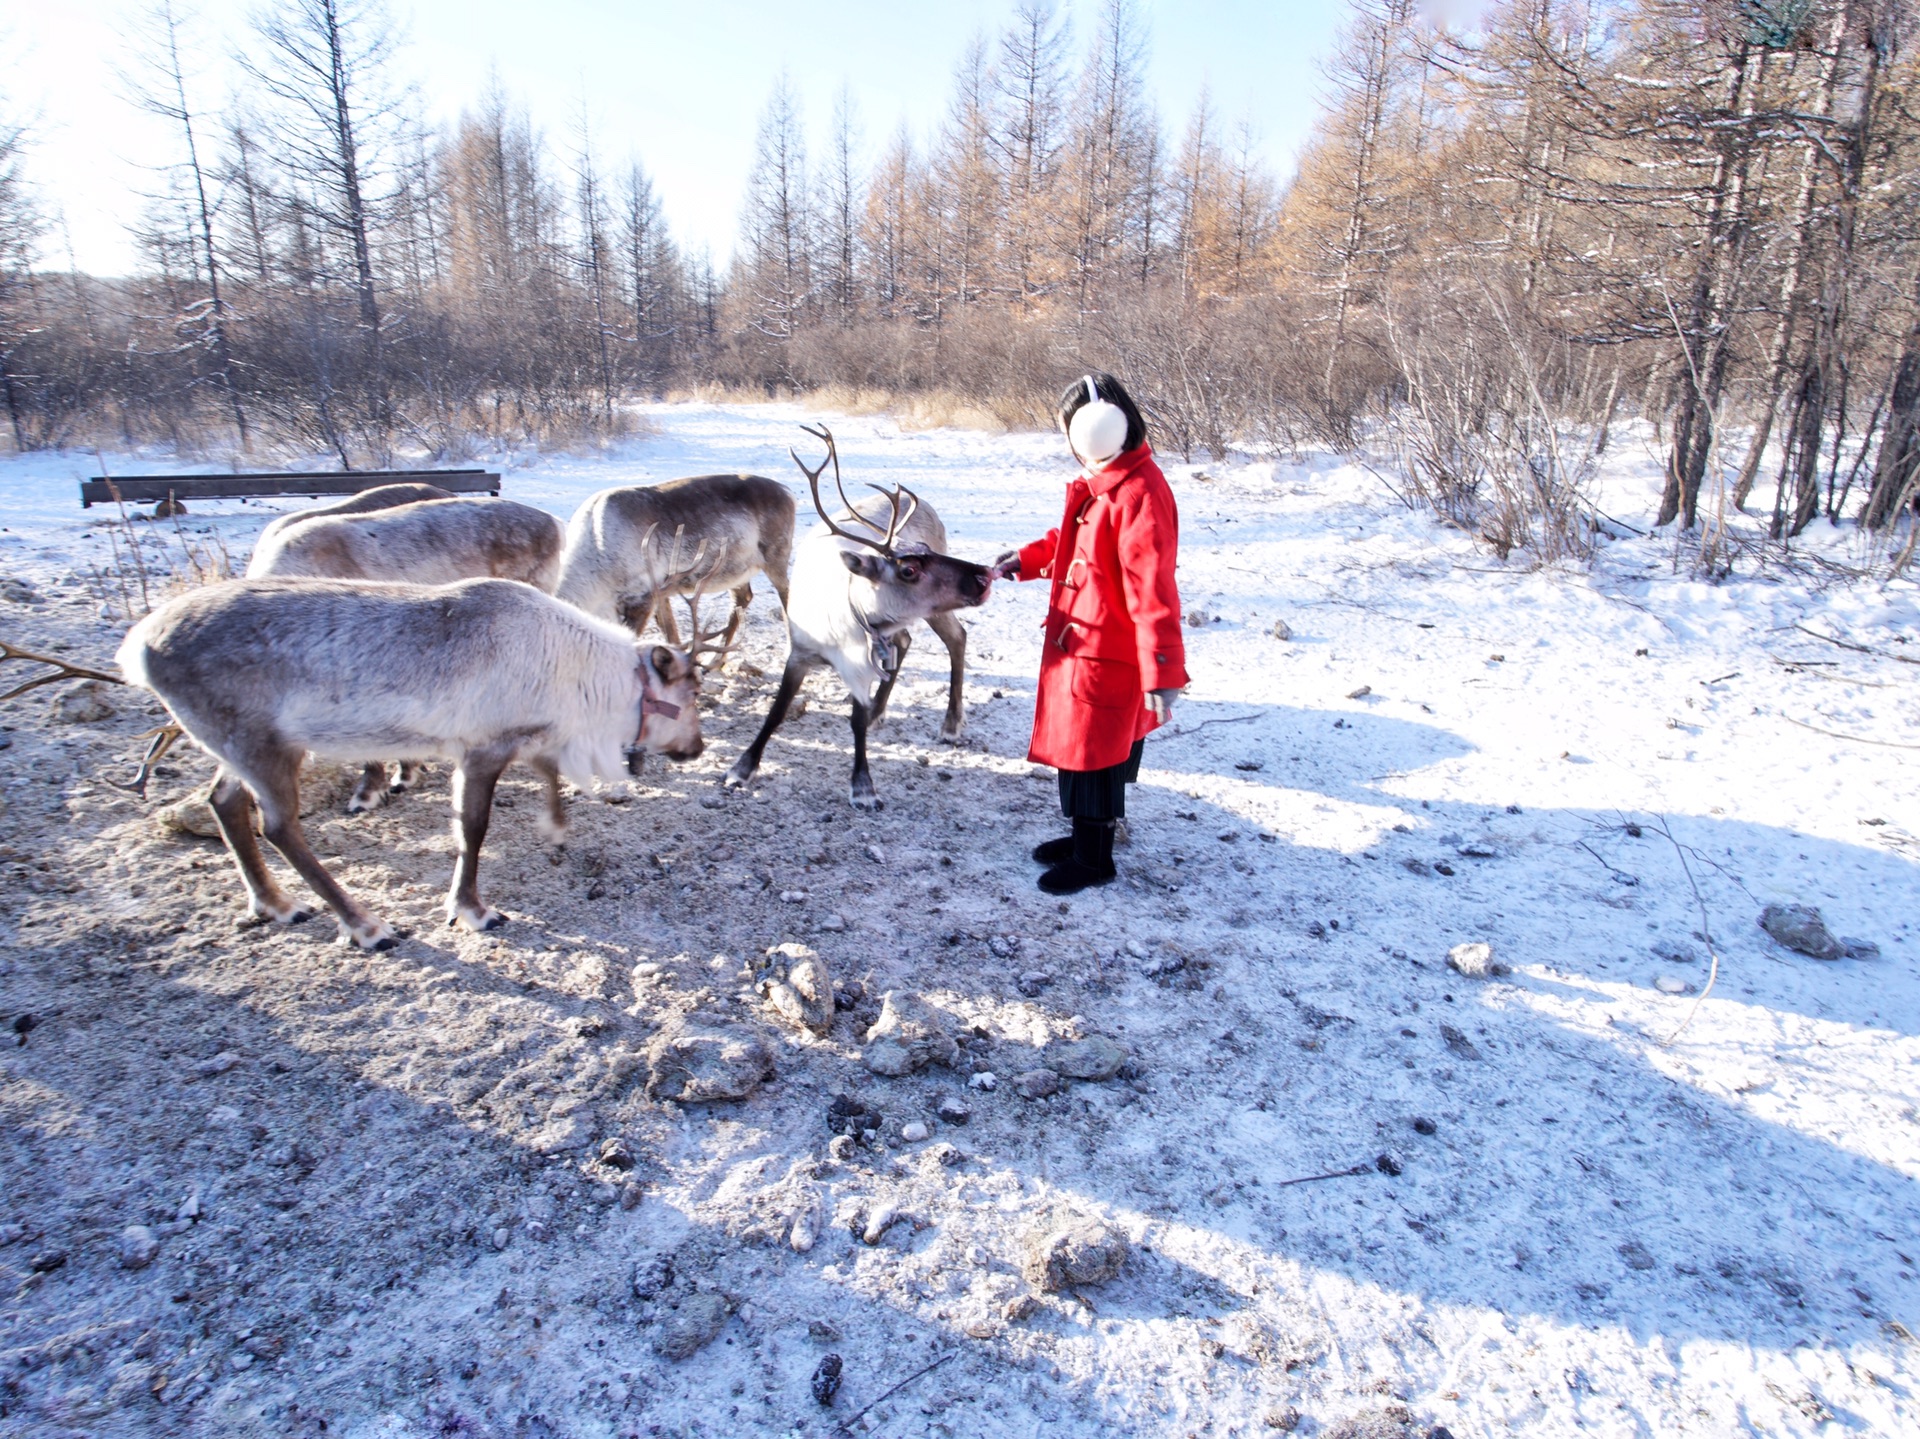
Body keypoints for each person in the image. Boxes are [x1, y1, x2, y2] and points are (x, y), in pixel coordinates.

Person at [992, 372, 1187, 894]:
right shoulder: (1111, 481)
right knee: (1086, 754)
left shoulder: (1138, 493)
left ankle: (1094, 858)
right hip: (1082, 645)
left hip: (1108, 652)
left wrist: (1163, 670)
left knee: (1095, 756)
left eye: (1073, 433)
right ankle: (1086, 838)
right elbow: (1072, 539)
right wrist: (1028, 559)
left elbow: (1154, 590)